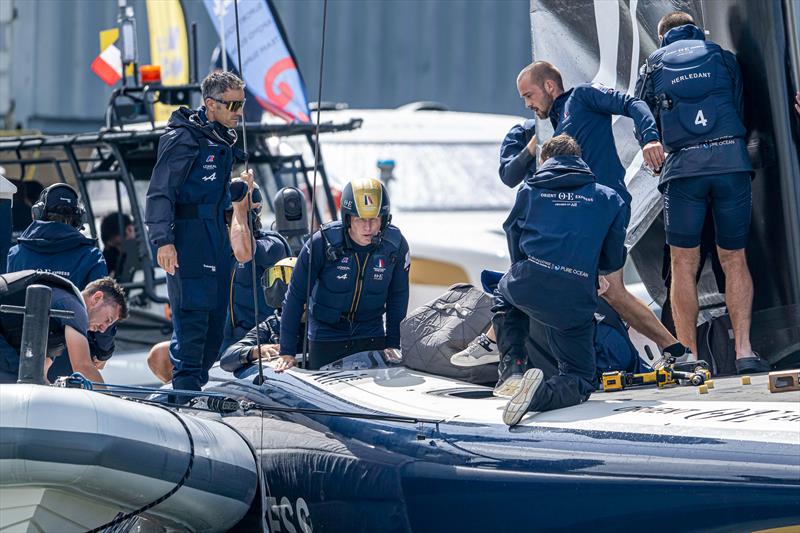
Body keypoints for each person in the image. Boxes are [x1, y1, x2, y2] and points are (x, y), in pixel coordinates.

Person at [514, 61, 689, 365]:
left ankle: (496, 343)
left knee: (547, 272)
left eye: (528, 96)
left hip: (604, 209)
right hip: (590, 214)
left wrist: (649, 137)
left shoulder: (581, 97)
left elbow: (632, 103)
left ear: (549, 87)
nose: (528, 105)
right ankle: (675, 351)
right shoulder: (560, 120)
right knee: (612, 291)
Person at [635, 12, 768, 374]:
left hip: (684, 173)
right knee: (734, 258)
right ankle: (744, 351)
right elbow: (741, 107)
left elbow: (645, 119)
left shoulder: (652, 67)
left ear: (663, 36)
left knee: (683, 263)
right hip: (730, 164)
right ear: (696, 29)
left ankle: (690, 357)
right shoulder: (722, 57)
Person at [500, 134, 628, 427]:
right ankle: (538, 396)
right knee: (581, 378)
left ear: (544, 160)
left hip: (531, 279)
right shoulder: (609, 198)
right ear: (580, 160)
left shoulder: (529, 189)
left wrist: (524, 269)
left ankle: (513, 369)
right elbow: (614, 259)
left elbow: (512, 234)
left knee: (504, 290)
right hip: (576, 293)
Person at [145, 70, 248, 391]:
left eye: (241, 104)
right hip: (188, 242)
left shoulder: (221, 139)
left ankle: (194, 389)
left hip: (216, 239)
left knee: (216, 327)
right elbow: (160, 192)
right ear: (210, 104)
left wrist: (238, 191)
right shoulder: (184, 138)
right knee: (193, 322)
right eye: (232, 105)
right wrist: (163, 241)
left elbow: (208, 193)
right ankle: (183, 395)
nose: (239, 112)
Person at [277, 178, 410, 371]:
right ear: (348, 219)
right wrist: (286, 351)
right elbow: (295, 297)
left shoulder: (395, 246)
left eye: (374, 219)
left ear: (385, 219)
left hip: (371, 334)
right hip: (326, 336)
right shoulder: (320, 243)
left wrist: (393, 342)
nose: (368, 227)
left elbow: (398, 296)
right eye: (360, 219)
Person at [6, 183, 117, 379]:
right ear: (78, 218)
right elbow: (102, 304)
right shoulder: (91, 256)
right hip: (75, 362)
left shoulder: (15, 255)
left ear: (38, 212)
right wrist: (103, 351)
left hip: (22, 361)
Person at [0, 272, 127, 384]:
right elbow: (83, 366)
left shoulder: (62, 323)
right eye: (108, 320)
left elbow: (40, 375)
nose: (103, 329)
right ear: (97, 298)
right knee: (16, 380)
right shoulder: (74, 307)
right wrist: (110, 402)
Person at [223, 182, 290, 353]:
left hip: (260, 343)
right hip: (224, 342)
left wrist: (240, 210)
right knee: (159, 356)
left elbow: (245, 252)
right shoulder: (217, 251)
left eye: (232, 217)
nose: (229, 223)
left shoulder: (272, 245)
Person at [99, 212, 135, 278]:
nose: (119, 250)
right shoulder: (110, 254)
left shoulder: (147, 250)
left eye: (119, 245)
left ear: (129, 230)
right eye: (115, 247)